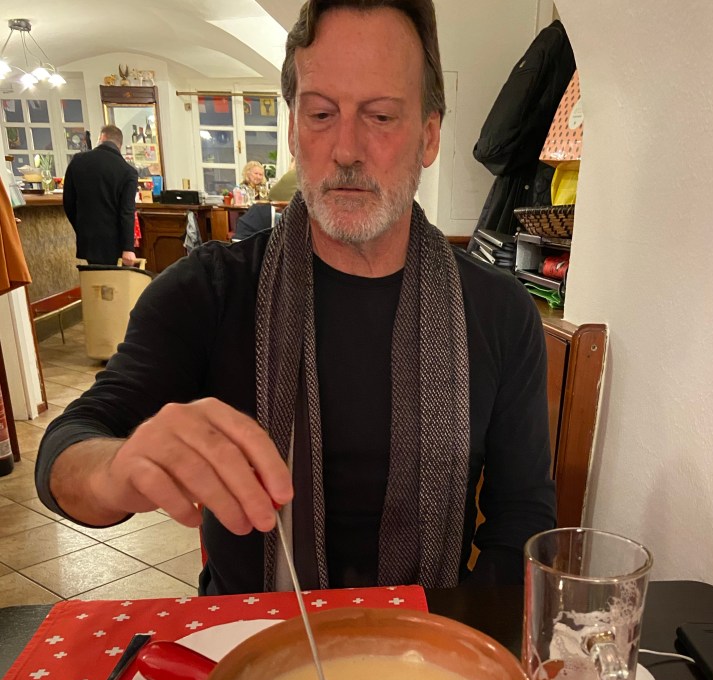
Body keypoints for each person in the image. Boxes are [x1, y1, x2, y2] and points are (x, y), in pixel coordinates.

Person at [35, 0, 556, 597]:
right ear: (292, 129)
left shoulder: (499, 313)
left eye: (381, 116)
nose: (346, 149)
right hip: (248, 636)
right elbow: (65, 449)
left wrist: (452, 637)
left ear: (429, 135)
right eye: (321, 114)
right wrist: (115, 471)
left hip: (426, 642)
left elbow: (522, 521)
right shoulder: (208, 291)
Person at [62, 125, 139, 266]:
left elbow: (68, 202)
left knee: (93, 277)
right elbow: (127, 211)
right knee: (114, 279)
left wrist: (81, 228)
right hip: (114, 242)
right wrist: (128, 247)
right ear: (120, 145)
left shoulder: (78, 161)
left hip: (87, 239)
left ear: (101, 138)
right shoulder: (128, 171)